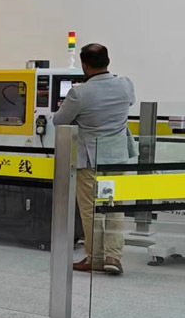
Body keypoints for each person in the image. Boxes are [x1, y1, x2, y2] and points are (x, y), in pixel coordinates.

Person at [53, 43, 136, 275]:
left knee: (91, 210)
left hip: (90, 159)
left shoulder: (79, 93)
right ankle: (113, 257)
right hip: (118, 157)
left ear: (84, 65)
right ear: (108, 61)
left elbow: (59, 121)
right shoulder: (125, 85)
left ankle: (95, 257)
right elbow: (128, 103)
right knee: (115, 207)